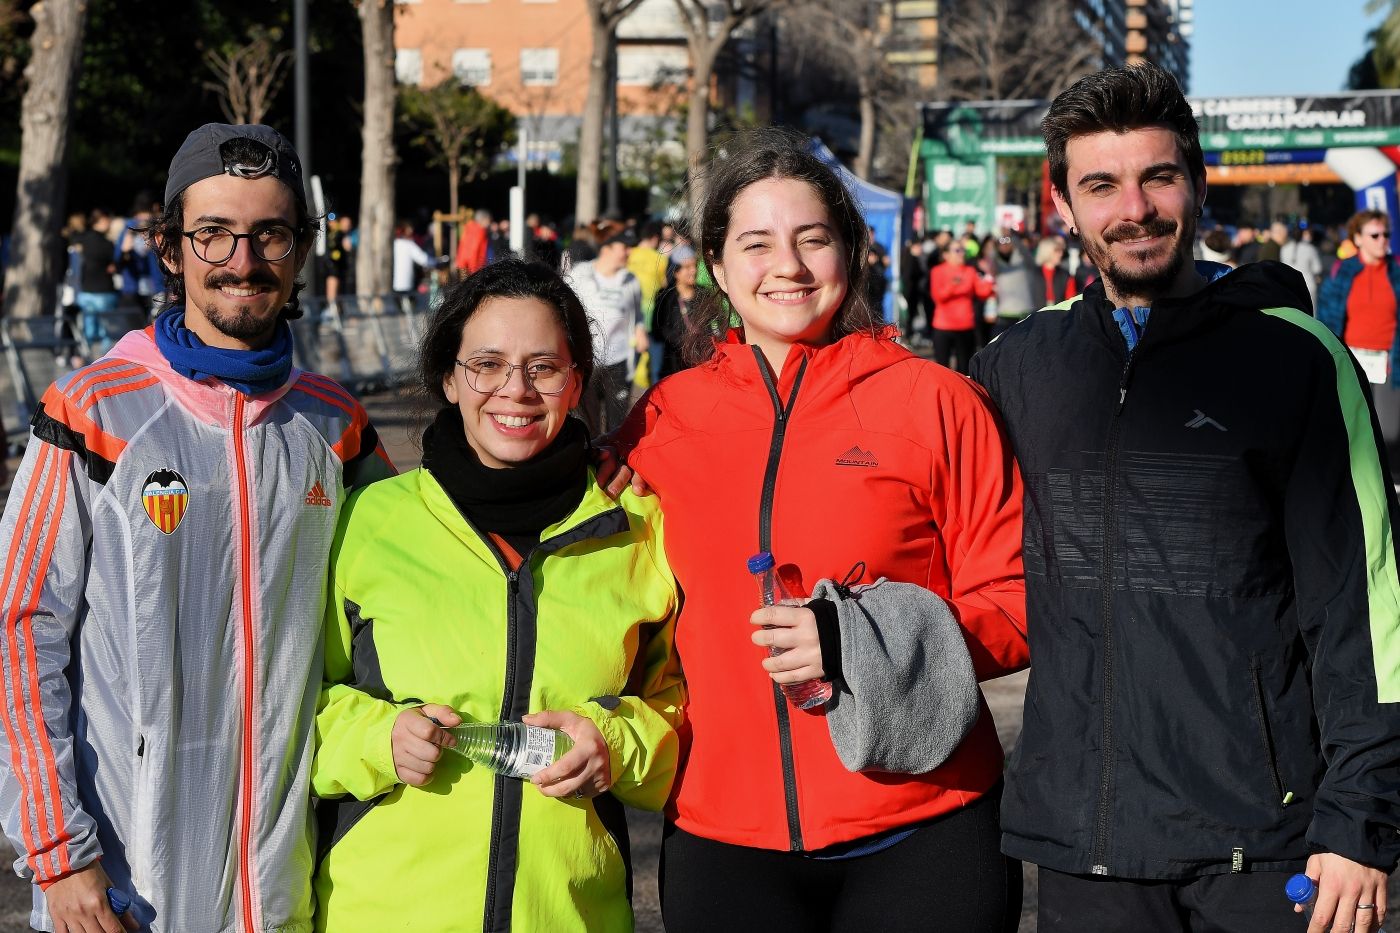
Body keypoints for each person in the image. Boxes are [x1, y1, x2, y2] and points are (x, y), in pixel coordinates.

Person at [970, 63, 1400, 933]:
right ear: (1063, 205)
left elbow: (1367, 607)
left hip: (1265, 839)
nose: (1134, 207)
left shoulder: (1298, 361)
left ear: (1197, 184)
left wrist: (1362, 816)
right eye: (1101, 185)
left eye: (1158, 176)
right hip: (1086, 845)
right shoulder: (1017, 365)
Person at [613, 127, 1028, 932]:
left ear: (851, 252)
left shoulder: (937, 401)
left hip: (925, 822)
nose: (789, 267)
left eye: (813, 239)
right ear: (717, 264)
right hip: (721, 833)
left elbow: (1019, 597)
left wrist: (860, 639)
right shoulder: (661, 418)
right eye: (757, 242)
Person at [0, 123, 394, 933]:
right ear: (172, 250)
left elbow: (413, 588)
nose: (242, 261)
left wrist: (588, 462)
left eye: (269, 234)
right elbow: (17, 631)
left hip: (285, 888)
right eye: (213, 233)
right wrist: (60, 855)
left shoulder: (339, 427)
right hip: (121, 887)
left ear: (301, 249)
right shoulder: (93, 410)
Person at [311, 258, 682, 932]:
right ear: (449, 378)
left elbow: (683, 716)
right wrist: (376, 737)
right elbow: (292, 706)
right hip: (379, 910)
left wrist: (614, 746)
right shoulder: (367, 519)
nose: (515, 390)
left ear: (575, 383)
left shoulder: (637, 532)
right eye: (487, 364)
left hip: (570, 915)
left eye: (542, 366)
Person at [1317, 209, 1400, 445]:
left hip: (1389, 362)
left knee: (1389, 432)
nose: (1383, 240)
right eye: (1375, 235)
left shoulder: (1396, 272)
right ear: (1357, 238)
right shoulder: (1342, 271)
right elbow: (1326, 316)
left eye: (1386, 234)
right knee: (1352, 429)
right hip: (1351, 360)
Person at [568, 232, 647, 433]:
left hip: (619, 359)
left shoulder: (631, 280)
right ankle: (590, 461)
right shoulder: (579, 275)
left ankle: (616, 461)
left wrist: (640, 331)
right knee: (587, 422)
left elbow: (637, 313)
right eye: (624, 247)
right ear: (607, 249)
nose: (629, 252)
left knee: (618, 423)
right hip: (588, 359)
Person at [929, 239, 994, 373]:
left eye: (963, 250)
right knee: (942, 370)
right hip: (943, 326)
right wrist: (953, 284)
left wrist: (989, 278)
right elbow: (938, 297)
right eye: (957, 250)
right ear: (946, 255)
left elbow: (982, 292)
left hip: (965, 326)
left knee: (964, 370)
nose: (961, 254)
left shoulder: (970, 271)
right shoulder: (937, 271)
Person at [71, 208, 120, 356]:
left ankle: (86, 357)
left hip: (86, 290)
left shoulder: (82, 240)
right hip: (104, 290)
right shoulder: (106, 243)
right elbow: (114, 263)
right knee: (107, 331)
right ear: (102, 220)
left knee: (89, 329)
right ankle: (103, 360)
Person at [649, 243, 698, 379]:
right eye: (687, 267)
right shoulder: (665, 297)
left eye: (695, 266)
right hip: (671, 364)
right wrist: (683, 342)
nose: (693, 270)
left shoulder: (703, 294)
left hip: (700, 362)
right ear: (676, 271)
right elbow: (657, 330)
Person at [1027, 234, 1078, 311]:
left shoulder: (1065, 275)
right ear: (1047, 251)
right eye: (1057, 250)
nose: (1061, 254)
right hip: (1036, 316)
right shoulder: (1032, 273)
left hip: (1059, 316)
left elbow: (1071, 301)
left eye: (1061, 250)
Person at [392, 220, 434, 306]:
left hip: (395, 284)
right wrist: (435, 261)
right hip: (405, 284)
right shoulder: (408, 244)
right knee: (407, 308)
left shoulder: (394, 244)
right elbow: (423, 259)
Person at [1281, 223, 1323, 310]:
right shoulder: (1310, 249)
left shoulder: (1284, 249)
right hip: (1308, 285)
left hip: (1290, 285)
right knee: (1310, 313)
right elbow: (1317, 268)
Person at [455, 208, 491, 276]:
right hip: (473, 268)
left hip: (465, 266)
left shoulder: (470, 228)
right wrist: (475, 272)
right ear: (484, 219)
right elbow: (473, 251)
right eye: (489, 220)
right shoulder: (479, 232)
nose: (489, 223)